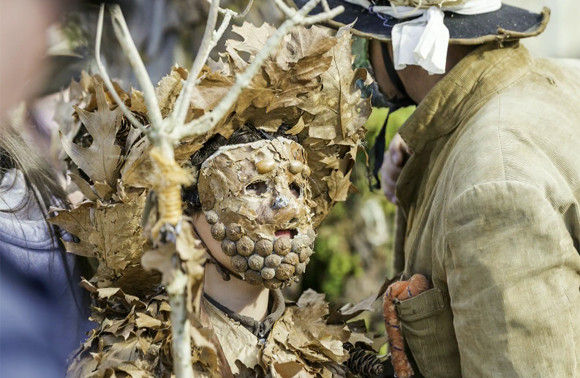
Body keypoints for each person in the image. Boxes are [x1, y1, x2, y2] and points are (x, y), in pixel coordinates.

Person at [57, 22, 390, 377]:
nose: (288, 208)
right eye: (256, 187)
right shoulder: (134, 360)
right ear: (186, 216)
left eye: (295, 188)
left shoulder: (335, 351)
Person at [293, 0, 580, 376]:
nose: (353, 49)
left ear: (410, 40)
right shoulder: (552, 81)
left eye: (363, 33)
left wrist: (462, 166)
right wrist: (430, 155)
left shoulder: (491, 190)